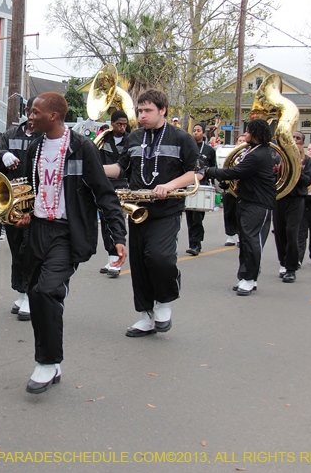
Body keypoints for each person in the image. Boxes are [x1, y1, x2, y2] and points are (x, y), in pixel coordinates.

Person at [13, 92, 126, 394]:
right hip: (37, 231)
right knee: (36, 295)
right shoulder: (34, 146)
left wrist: (117, 237)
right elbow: (29, 187)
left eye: (35, 112)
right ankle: (50, 359)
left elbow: (104, 193)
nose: (30, 117)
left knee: (47, 290)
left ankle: (47, 363)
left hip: (67, 232)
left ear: (53, 116)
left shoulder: (81, 147)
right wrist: (22, 213)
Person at [112, 89, 198, 337]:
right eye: (140, 111)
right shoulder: (134, 137)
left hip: (167, 210)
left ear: (163, 110)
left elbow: (197, 172)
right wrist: (92, 166)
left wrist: (170, 185)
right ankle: (146, 316)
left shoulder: (181, 137)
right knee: (139, 264)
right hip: (138, 210)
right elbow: (120, 169)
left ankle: (164, 302)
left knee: (160, 258)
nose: (142, 116)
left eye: (148, 111)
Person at [205, 119, 276, 296]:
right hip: (247, 200)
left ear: (257, 134)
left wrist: (210, 171)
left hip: (258, 203)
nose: (245, 135)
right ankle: (246, 276)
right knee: (245, 241)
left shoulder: (259, 154)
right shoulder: (253, 151)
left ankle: (250, 278)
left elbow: (236, 172)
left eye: (249, 131)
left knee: (252, 241)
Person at [0, 97, 39, 320]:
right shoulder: (10, 134)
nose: (35, 116)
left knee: (30, 249)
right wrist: (2, 155)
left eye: (40, 112)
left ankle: (30, 294)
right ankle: (21, 291)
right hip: (13, 203)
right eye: (33, 111)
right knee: (17, 248)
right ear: (26, 111)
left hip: (35, 203)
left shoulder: (45, 136)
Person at [273, 131, 311, 283]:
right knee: (279, 232)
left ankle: (291, 268)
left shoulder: (307, 161)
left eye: (298, 139)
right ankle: (283, 263)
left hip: (296, 199)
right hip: (280, 198)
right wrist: (276, 172)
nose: (295, 140)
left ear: (302, 143)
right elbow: (271, 179)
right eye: (293, 138)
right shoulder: (279, 157)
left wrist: (296, 170)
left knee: (292, 232)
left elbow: (307, 181)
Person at [97, 110, 130, 277]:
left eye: (125, 124)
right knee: (105, 221)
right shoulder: (104, 139)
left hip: (124, 185)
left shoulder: (130, 139)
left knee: (118, 221)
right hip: (106, 184)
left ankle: (117, 259)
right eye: (119, 124)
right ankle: (111, 257)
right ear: (112, 123)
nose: (122, 127)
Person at [185, 123, 216, 256]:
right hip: (188, 185)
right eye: (194, 130)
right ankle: (192, 243)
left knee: (197, 217)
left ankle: (196, 243)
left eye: (198, 131)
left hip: (202, 186)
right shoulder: (188, 147)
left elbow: (213, 167)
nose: (196, 133)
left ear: (203, 133)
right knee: (190, 217)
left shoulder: (209, 150)